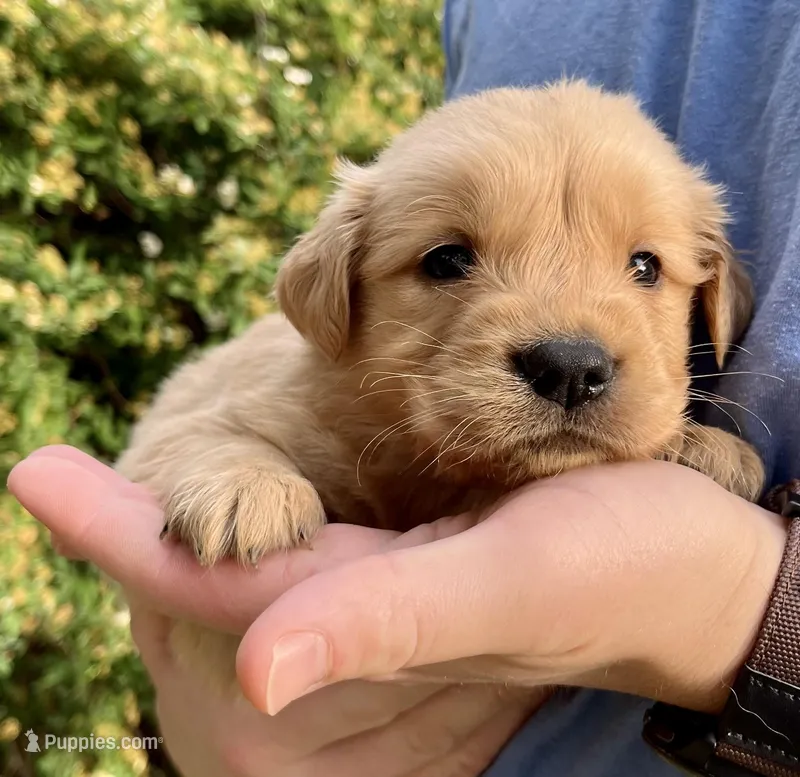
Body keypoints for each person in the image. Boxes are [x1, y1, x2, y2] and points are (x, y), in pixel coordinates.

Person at [8, 1, 799, 775]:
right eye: (449, 260)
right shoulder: (305, 408)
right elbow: (172, 443)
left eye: (643, 268)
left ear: (712, 296)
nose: (572, 350)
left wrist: (744, 604)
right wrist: (235, 471)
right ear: (334, 295)